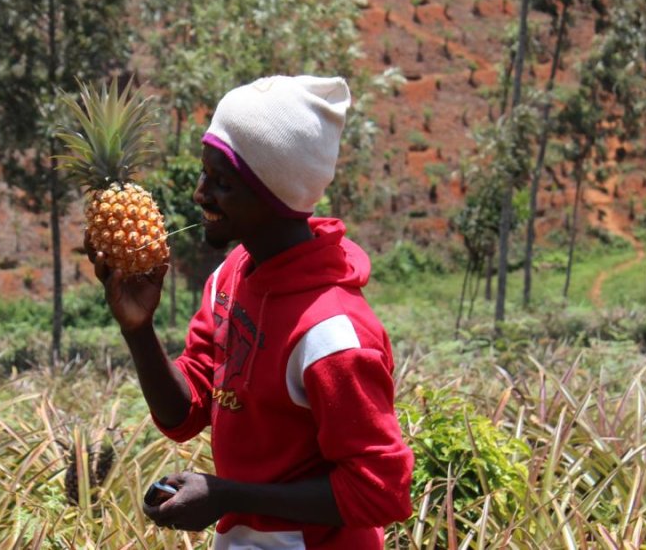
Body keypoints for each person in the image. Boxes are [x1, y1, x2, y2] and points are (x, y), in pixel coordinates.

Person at [87, 75, 414, 549]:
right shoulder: (232, 275)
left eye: (221, 182)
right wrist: (138, 328)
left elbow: (381, 490)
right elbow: (185, 413)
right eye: (205, 174)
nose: (200, 194)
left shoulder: (333, 336)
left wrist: (227, 496)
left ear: (275, 195)